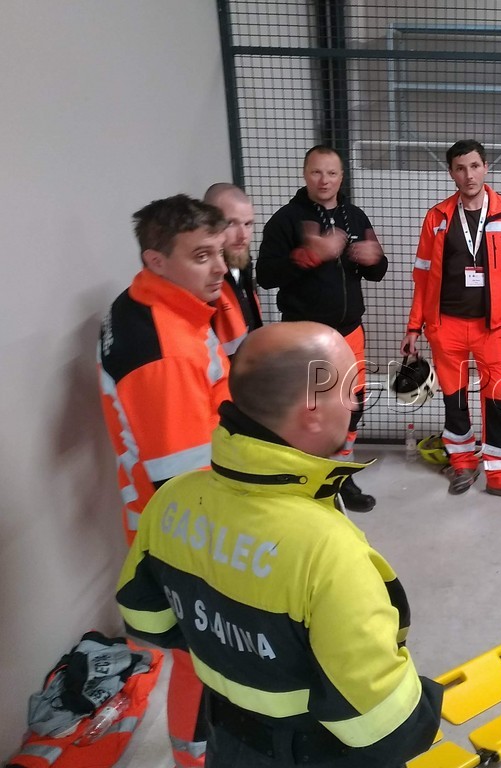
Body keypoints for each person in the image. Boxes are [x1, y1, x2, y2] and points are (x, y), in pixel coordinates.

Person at [116, 322, 443, 767]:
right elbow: (388, 728)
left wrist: (235, 655)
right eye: (349, 389)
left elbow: (147, 619)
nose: (355, 402)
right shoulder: (326, 552)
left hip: (226, 742)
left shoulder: (170, 501)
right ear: (312, 410)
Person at [98, 194, 231, 768]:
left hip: (161, 518)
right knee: (204, 659)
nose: (220, 267)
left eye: (219, 251)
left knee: (198, 659)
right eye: (202, 256)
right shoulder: (166, 352)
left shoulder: (148, 305)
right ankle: (194, 759)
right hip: (185, 534)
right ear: (156, 260)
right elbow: (187, 483)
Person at [400, 139, 501, 505]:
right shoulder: (437, 217)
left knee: (499, 402)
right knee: (455, 401)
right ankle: (462, 464)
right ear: (452, 173)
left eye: (475, 166)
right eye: (460, 168)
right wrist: (414, 326)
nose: (469, 175)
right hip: (445, 325)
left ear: (485, 168)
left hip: (493, 327)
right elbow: (422, 278)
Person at [256, 145, 386, 513]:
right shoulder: (285, 220)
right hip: (305, 337)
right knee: (308, 412)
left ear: (341, 177)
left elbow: (378, 271)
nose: (324, 180)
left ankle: (340, 477)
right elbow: (265, 275)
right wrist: (310, 255)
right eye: (316, 172)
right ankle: (307, 480)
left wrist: (375, 259)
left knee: (352, 406)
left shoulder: (355, 216)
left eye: (331, 173)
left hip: (350, 333)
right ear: (305, 174)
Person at [204, 183, 262, 356]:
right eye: (231, 223)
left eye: (248, 224)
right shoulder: (200, 279)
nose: (243, 235)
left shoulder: (242, 265)